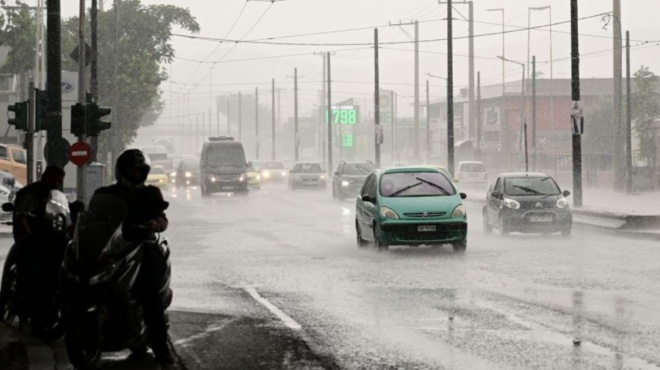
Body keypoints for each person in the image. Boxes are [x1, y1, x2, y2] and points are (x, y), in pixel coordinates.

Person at [94, 149, 174, 365]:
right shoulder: (106, 193)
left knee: (149, 294)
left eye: (139, 171)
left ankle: (161, 347)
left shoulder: (150, 193)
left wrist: (155, 224)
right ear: (121, 170)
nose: (135, 174)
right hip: (113, 247)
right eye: (131, 170)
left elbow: (162, 219)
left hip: (142, 246)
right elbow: (93, 215)